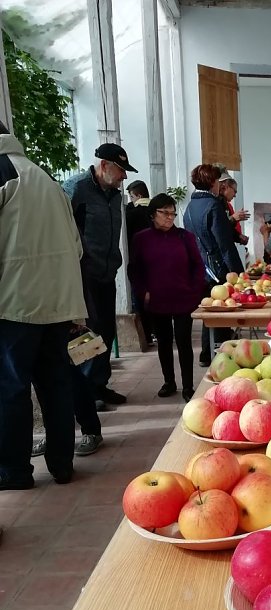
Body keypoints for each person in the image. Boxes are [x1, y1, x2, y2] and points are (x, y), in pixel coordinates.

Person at [0, 121, 87, 489]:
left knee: (11, 389)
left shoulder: (3, 174)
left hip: (14, 305)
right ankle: (62, 464)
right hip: (58, 303)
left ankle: (15, 471)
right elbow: (77, 248)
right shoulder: (47, 179)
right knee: (56, 384)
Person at [63, 142, 137, 409]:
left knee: (106, 330)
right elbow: (61, 230)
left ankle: (100, 385)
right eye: (121, 170)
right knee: (87, 333)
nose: (124, 177)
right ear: (104, 166)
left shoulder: (115, 195)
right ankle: (86, 393)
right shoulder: (75, 189)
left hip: (107, 273)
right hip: (84, 275)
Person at [128, 193, 205, 402]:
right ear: (153, 214)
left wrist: (195, 290)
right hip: (157, 300)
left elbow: (198, 266)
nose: (170, 217)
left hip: (183, 299)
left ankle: (188, 386)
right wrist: (142, 291)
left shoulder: (184, 237)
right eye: (165, 213)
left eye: (172, 213)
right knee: (163, 342)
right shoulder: (141, 239)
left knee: (183, 342)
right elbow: (134, 269)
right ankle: (169, 381)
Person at [183, 163, 242, 366]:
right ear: (212, 182)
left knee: (210, 312)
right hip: (218, 269)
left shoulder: (190, 207)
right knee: (222, 315)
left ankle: (206, 353)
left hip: (199, 267)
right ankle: (221, 356)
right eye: (218, 181)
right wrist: (238, 273)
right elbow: (224, 244)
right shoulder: (214, 205)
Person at [125, 179, 154, 347]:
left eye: (131, 196)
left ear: (138, 195)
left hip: (138, 261)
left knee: (141, 297)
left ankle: (147, 334)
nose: (130, 200)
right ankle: (161, 331)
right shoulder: (158, 211)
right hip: (158, 260)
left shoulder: (131, 214)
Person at [219, 172, 249, 250]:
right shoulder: (215, 203)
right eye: (234, 191)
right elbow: (219, 228)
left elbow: (226, 229)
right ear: (225, 187)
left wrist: (238, 237)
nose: (235, 195)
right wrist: (233, 218)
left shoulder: (224, 203)